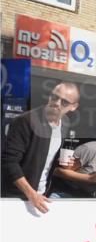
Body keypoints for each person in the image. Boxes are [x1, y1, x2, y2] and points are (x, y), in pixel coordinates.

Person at [1, 82, 80, 214]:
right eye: (55, 97)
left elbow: (45, 156)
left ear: (74, 107)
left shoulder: (65, 123)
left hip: (42, 195)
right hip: (15, 197)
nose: (57, 103)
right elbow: (9, 162)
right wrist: (31, 194)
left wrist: (63, 162)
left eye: (64, 102)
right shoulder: (26, 121)